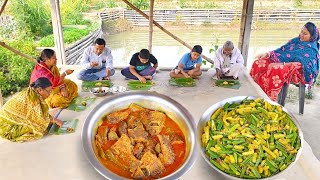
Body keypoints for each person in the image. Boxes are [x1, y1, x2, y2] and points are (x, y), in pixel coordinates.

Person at [250, 22, 319, 101]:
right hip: (284, 63)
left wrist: (280, 64)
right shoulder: (296, 41)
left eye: (305, 34)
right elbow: (282, 51)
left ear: (312, 37)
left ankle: (268, 98)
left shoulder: (311, 50)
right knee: (259, 63)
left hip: (297, 71)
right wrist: (267, 54)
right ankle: (255, 91)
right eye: (301, 32)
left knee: (276, 68)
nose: (301, 35)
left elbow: (302, 65)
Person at [0, 77, 63, 142]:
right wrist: (55, 120)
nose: (49, 94)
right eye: (48, 91)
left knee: (45, 124)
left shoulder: (32, 92)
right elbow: (39, 119)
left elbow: (40, 114)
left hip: (7, 121)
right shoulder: (33, 99)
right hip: (6, 127)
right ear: (39, 90)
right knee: (39, 128)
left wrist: (53, 120)